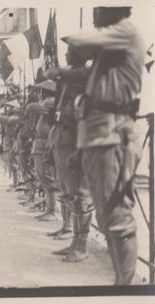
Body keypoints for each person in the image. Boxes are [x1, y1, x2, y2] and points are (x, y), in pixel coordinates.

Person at [65, 6, 145, 284]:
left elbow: (78, 42)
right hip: (98, 137)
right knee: (106, 215)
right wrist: (81, 148)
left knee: (117, 219)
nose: (93, 15)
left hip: (113, 136)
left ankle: (126, 288)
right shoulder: (109, 54)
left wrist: (68, 60)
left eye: (98, 10)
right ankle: (121, 282)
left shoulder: (125, 32)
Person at [44, 46, 94, 262]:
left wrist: (59, 72)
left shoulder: (87, 75)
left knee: (81, 193)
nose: (65, 55)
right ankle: (74, 240)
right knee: (68, 191)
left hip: (77, 139)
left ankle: (82, 246)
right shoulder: (67, 80)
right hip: (63, 137)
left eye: (70, 51)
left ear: (82, 55)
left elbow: (64, 73)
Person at [26, 80, 59, 222]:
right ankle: (49, 208)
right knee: (43, 176)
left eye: (41, 91)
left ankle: (51, 210)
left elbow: (34, 107)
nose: (40, 93)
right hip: (40, 142)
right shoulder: (46, 102)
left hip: (45, 142)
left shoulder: (50, 101)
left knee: (46, 176)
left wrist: (32, 105)